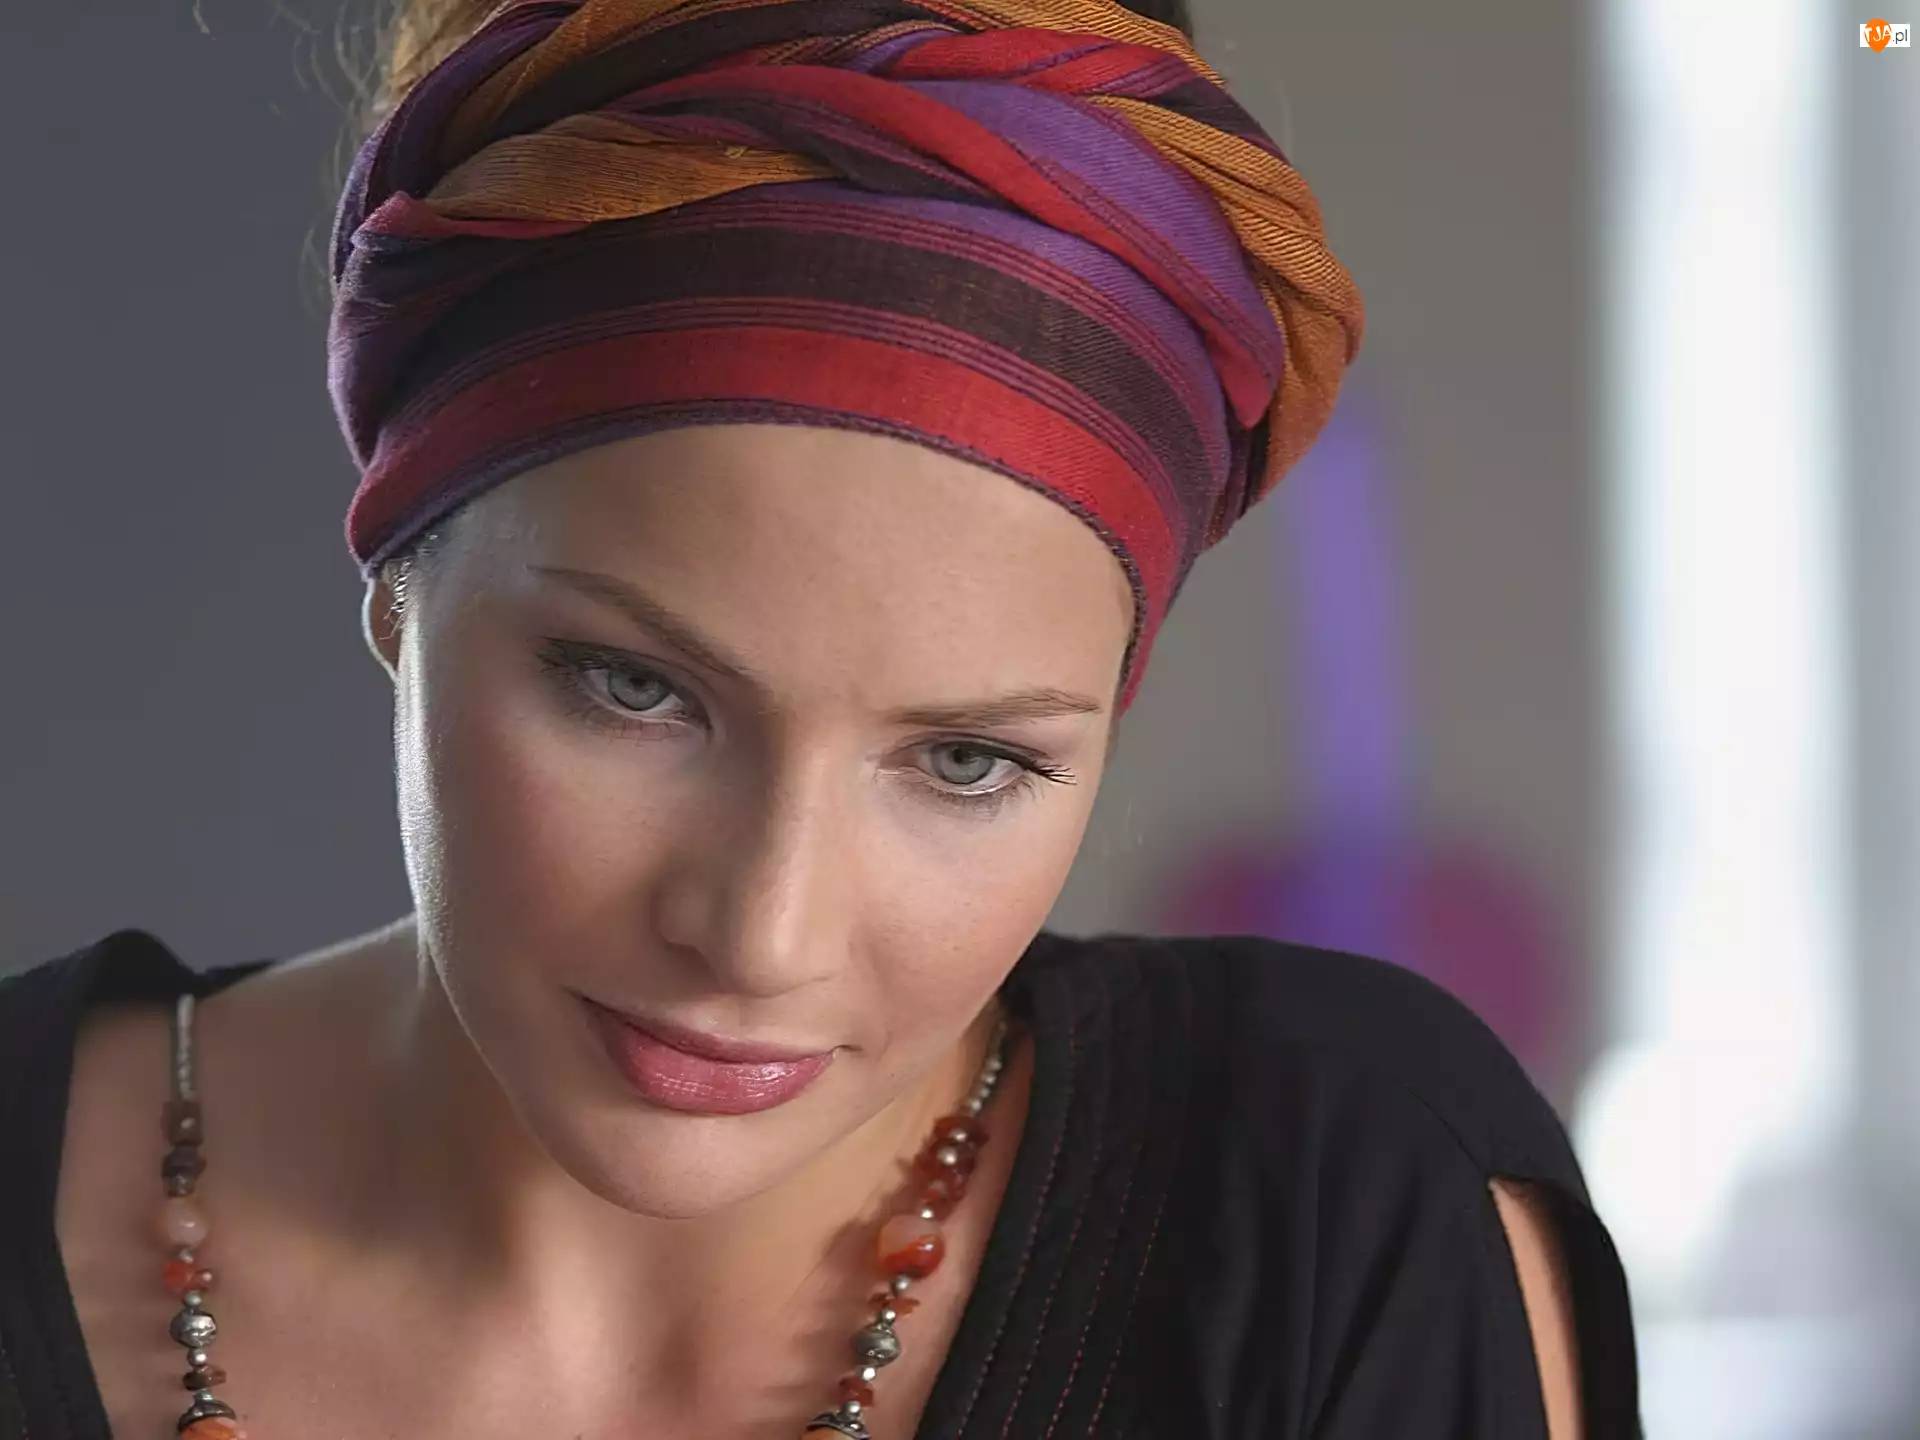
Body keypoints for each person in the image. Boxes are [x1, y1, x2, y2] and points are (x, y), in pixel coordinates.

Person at [0, 0, 1639, 1436]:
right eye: (635, 688)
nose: (760, 938)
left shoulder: (1338, 1217)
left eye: (968, 760)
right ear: (397, 587)